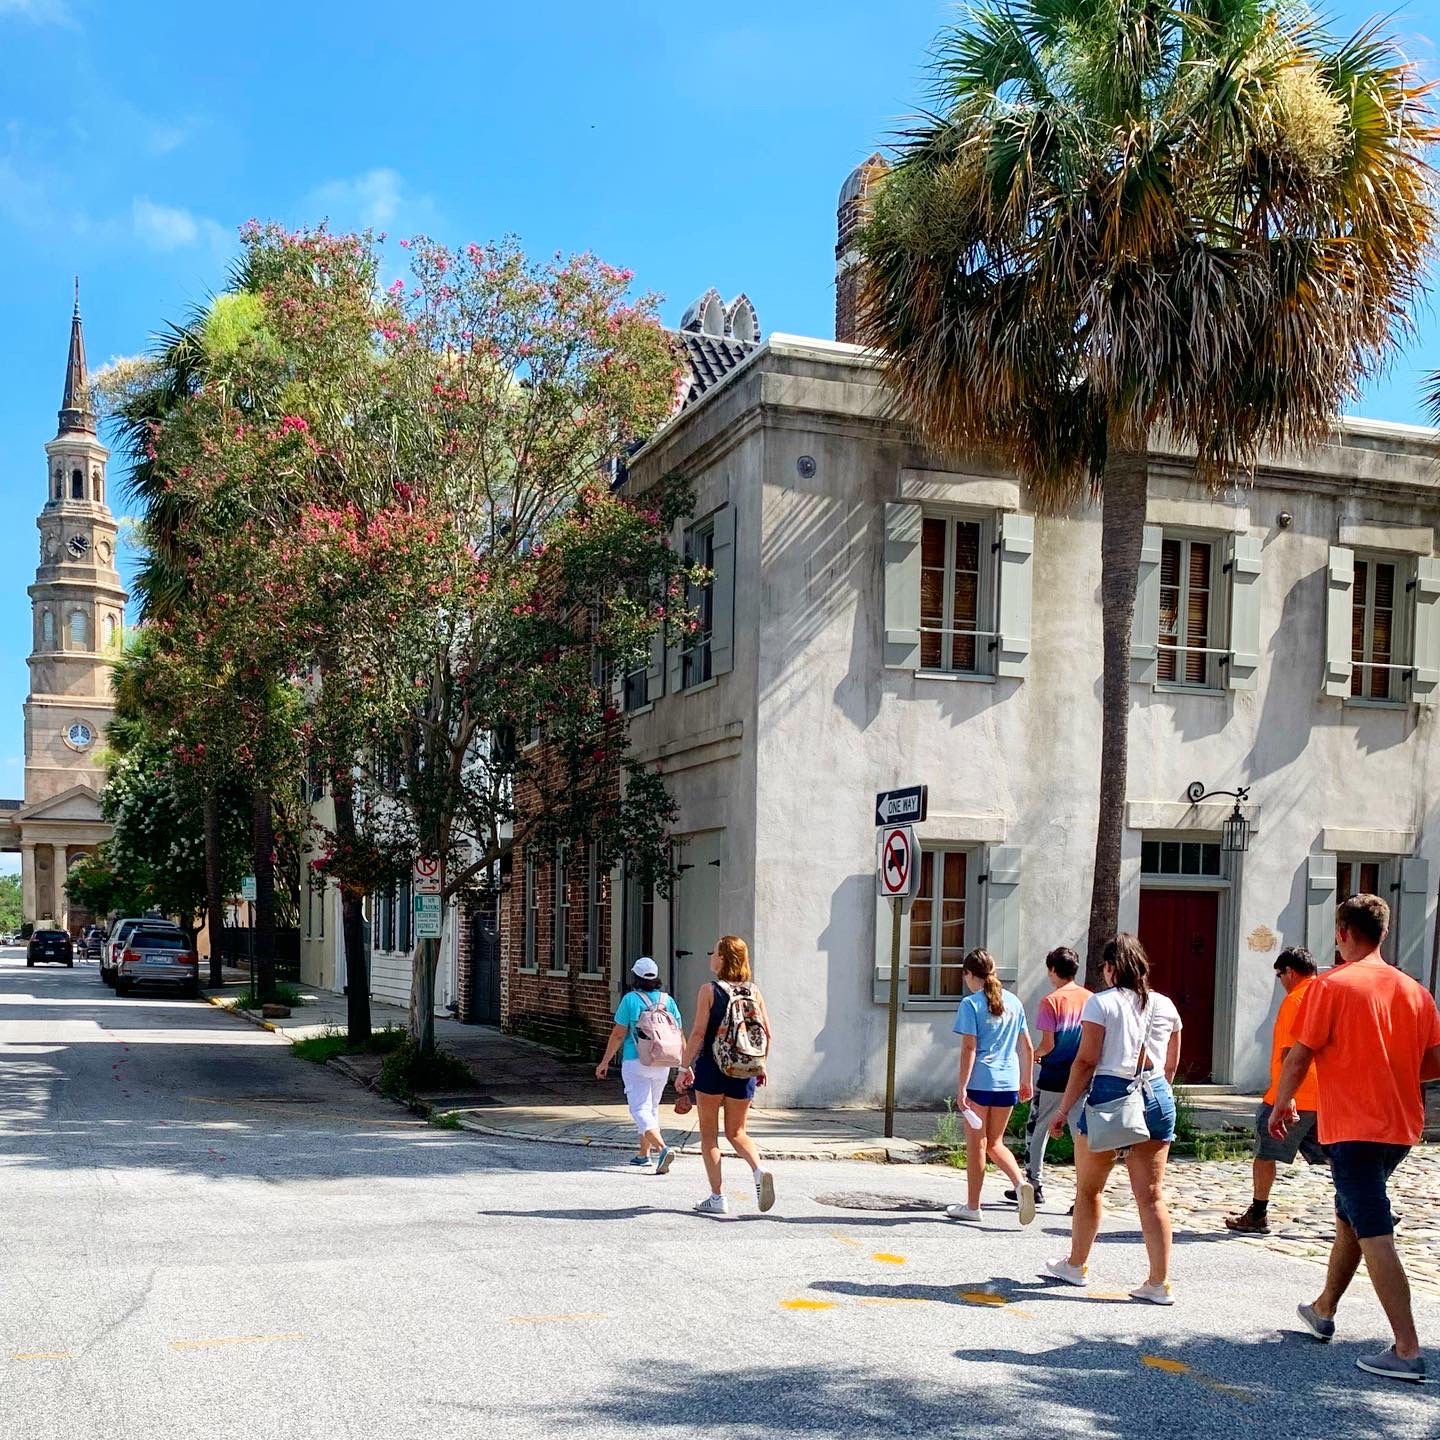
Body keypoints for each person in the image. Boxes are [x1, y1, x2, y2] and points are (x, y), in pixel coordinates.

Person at [1271, 893, 1440, 1383]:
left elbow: (1300, 1054)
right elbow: (1432, 1063)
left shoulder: (1333, 986)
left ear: (1343, 933)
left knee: (1373, 1228)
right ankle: (1323, 1308)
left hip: (1354, 1126)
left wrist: (1283, 1102)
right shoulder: (1415, 991)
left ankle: (1407, 1349)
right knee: (1351, 1213)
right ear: (1383, 933)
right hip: (1401, 1128)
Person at [1042, 934, 1183, 1304]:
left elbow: (1086, 1061)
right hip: (1156, 1094)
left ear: (1109, 968)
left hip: (1110, 1092)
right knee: (1151, 1195)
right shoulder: (1166, 1005)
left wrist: (1061, 1110)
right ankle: (1159, 1282)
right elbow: (1171, 1063)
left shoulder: (1101, 1004)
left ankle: (1076, 1264)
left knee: (1089, 1189)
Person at [1225, 947, 1326, 1235]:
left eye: (1280, 975)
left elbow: (1288, 1054)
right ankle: (1372, 1203)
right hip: (1327, 1096)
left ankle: (1258, 1213)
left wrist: (1285, 1097)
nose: (1280, 981)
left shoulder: (1295, 1001)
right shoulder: (1328, 996)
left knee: (1265, 1153)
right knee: (1339, 1155)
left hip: (1295, 1094)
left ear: (1290, 972)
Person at [676, 936, 775, 1216]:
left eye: (714, 951)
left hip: (712, 1067)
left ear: (722, 958)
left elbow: (697, 1033)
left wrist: (684, 1069)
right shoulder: (753, 992)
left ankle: (717, 1197)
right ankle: (758, 1169)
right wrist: (761, 1065)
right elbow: (767, 1033)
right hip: (744, 1070)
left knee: (710, 1135)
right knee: (738, 1132)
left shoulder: (709, 990)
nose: (711, 955)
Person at [947, 949, 1036, 1225]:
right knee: (995, 1143)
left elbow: (969, 1047)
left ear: (969, 974)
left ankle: (973, 1205)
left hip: (981, 1082)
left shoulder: (970, 1004)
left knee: (977, 1145)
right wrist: (1026, 1079)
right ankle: (1021, 1183)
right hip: (1008, 1081)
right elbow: (1028, 1046)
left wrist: (962, 1087)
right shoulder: (1014, 1002)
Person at [1009, 946, 1090, 1207]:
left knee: (1038, 1128)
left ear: (1053, 970)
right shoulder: (1091, 999)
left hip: (1054, 1075)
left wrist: (1032, 1056)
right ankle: (1083, 1194)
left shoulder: (1051, 1001)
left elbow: (1049, 1044)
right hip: (1083, 1075)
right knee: (1081, 1135)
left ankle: (1034, 1183)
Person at [595, 957, 684, 1174]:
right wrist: (684, 1065)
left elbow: (618, 1034)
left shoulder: (630, 1000)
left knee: (639, 1108)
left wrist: (605, 1061)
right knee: (651, 1108)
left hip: (636, 1061)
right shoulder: (668, 1000)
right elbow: (680, 1034)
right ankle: (643, 1155)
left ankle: (662, 1149)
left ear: (635, 976)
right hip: (663, 1062)